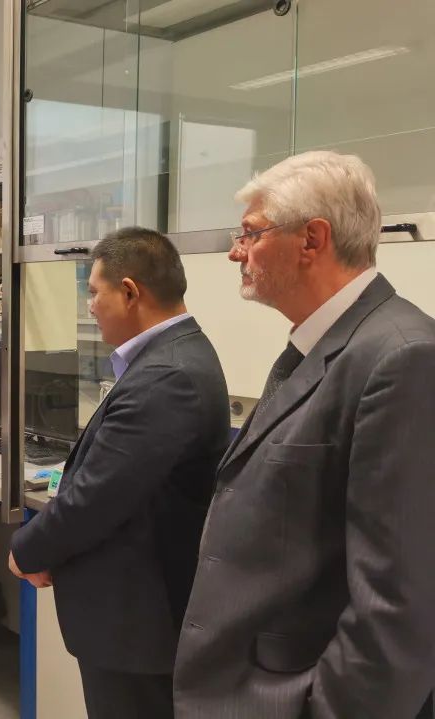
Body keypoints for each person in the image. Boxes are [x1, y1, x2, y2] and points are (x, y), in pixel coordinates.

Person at [174, 151, 435, 719]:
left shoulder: (403, 357)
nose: (236, 252)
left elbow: (399, 606)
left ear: (312, 240)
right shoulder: (319, 346)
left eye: (251, 234)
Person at [7, 228, 229, 718]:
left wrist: (27, 548)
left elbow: (96, 497)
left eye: (94, 292)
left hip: (139, 622)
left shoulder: (167, 374)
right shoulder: (171, 357)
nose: (90, 306)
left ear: (130, 292)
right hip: (135, 613)